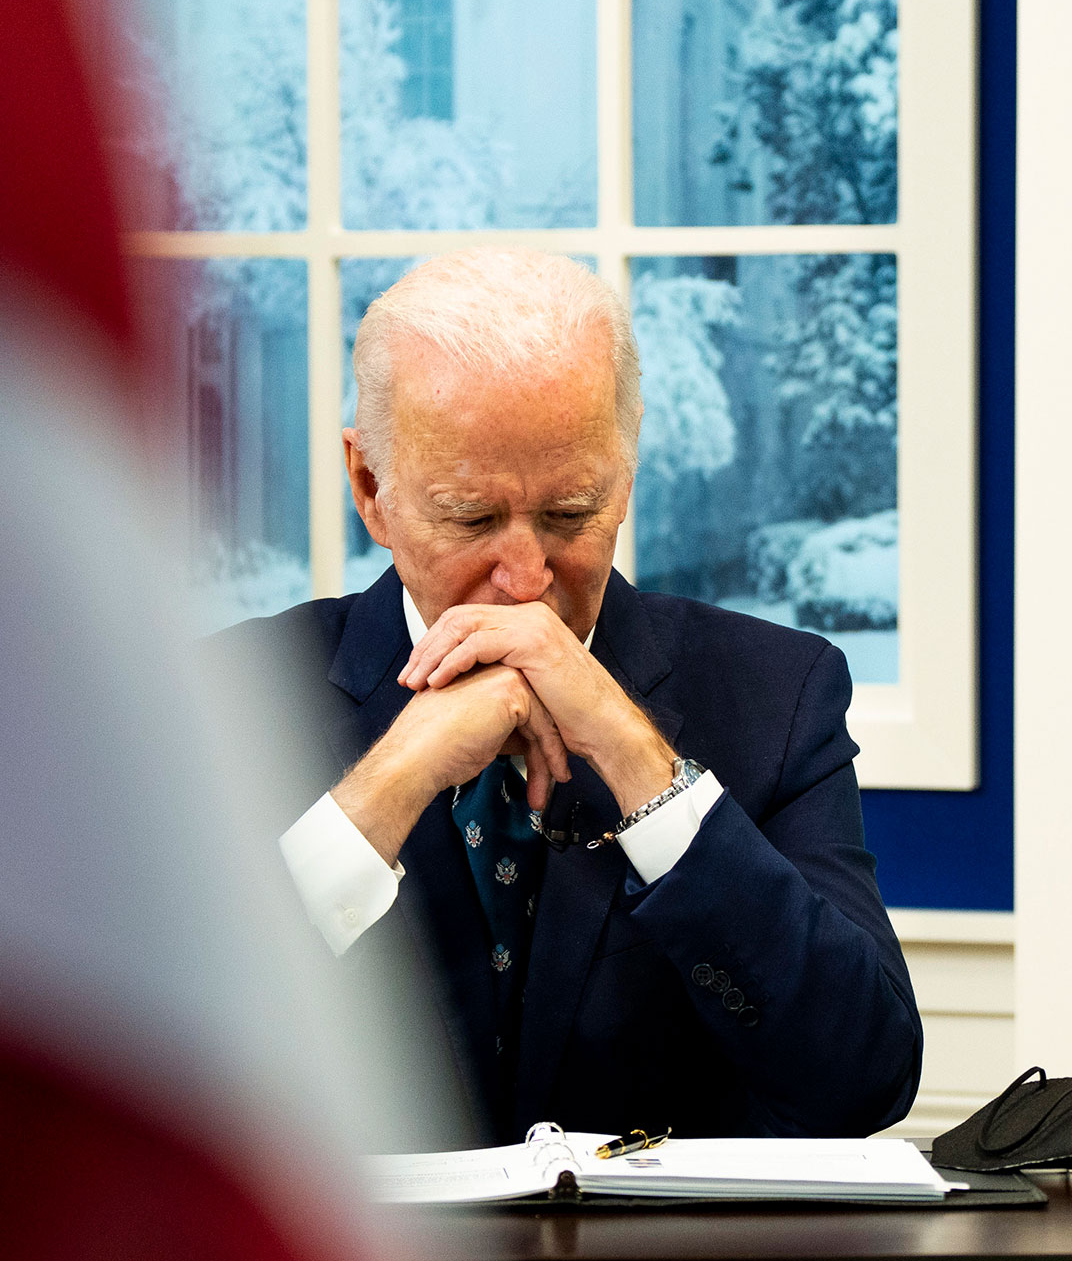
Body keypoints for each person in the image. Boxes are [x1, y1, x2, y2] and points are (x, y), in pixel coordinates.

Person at [222, 248, 922, 1141]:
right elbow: (140, 1063)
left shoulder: (779, 694)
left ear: (623, 481)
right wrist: (391, 781)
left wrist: (639, 761)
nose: (524, 581)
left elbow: (864, 1079)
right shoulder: (233, 695)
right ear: (371, 489)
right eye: (472, 517)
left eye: (570, 515)